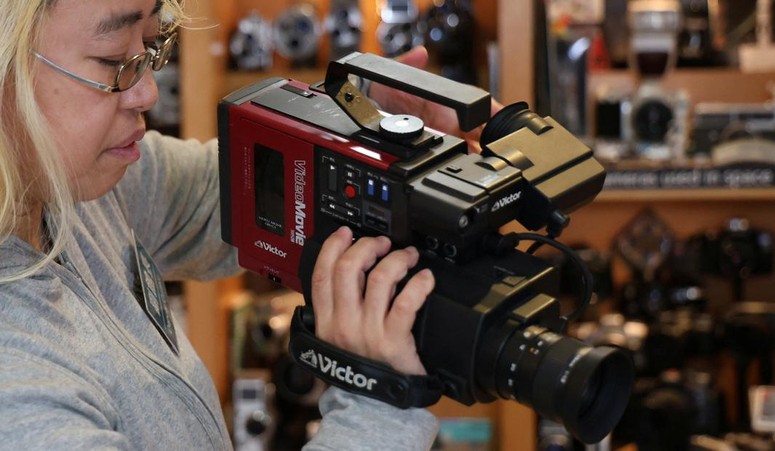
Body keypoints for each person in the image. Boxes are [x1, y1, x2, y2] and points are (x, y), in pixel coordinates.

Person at [0, 0, 496, 449]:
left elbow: (238, 197)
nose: (148, 92)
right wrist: (377, 403)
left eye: (151, 47)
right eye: (113, 62)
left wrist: (365, 130)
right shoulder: (18, 398)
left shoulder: (70, 182)